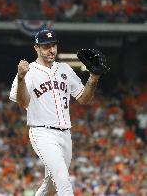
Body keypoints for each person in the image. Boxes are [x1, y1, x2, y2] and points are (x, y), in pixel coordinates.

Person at [9, 28, 102, 195]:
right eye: (46, 46)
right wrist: (21, 78)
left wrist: (93, 78)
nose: (51, 50)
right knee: (63, 181)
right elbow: (23, 103)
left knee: (50, 187)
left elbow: (83, 99)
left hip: (65, 134)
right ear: (36, 48)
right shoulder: (29, 71)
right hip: (42, 132)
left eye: (53, 45)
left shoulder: (65, 68)